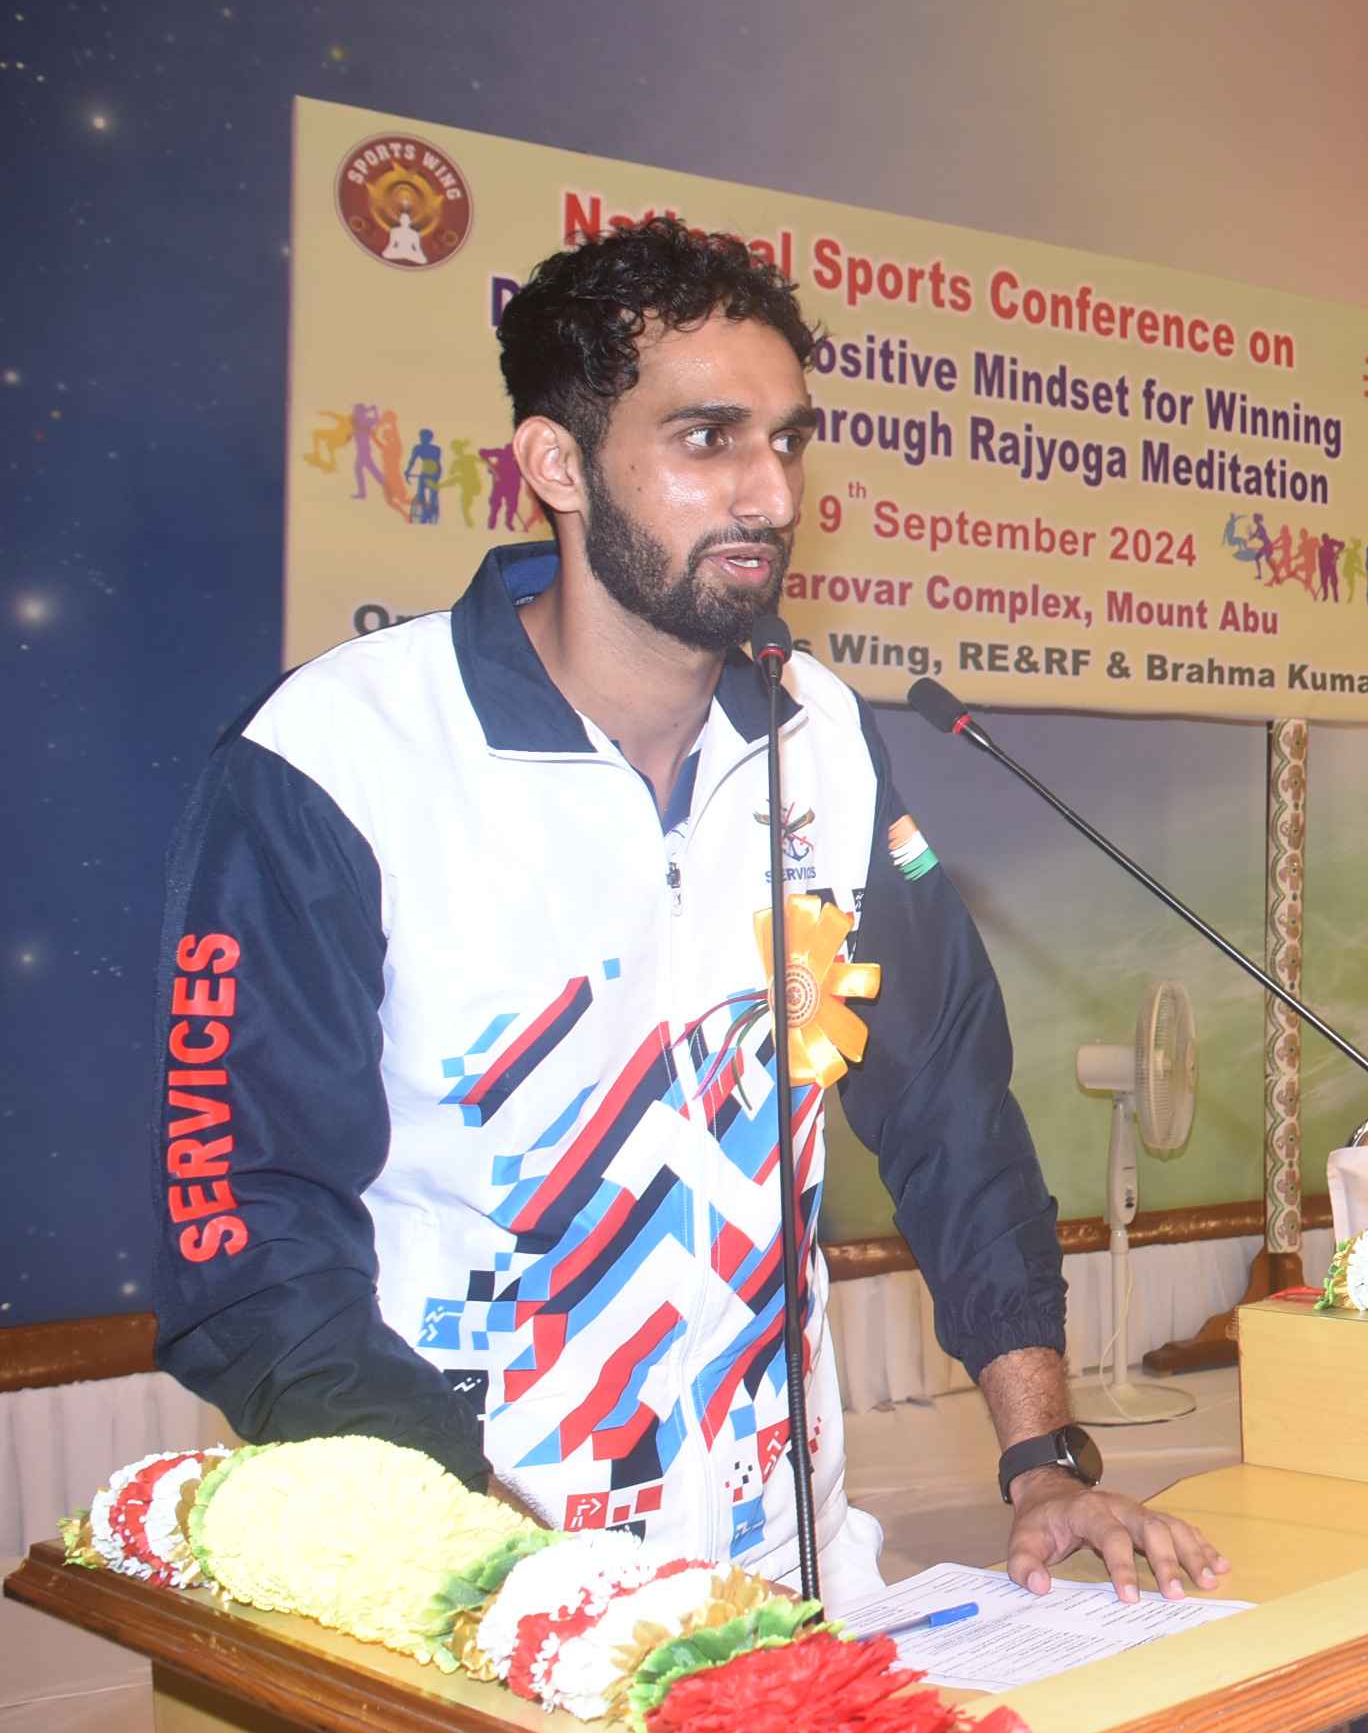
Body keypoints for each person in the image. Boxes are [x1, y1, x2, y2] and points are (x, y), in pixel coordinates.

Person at [150, 219, 1220, 1611]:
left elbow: (948, 1106)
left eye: (786, 441)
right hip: (470, 1595)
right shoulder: (339, 756)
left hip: (790, 1574)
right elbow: (244, 1227)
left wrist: (1044, 1455)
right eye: (708, 439)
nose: (768, 493)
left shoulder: (820, 736)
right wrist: (485, 1561)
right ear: (556, 463)